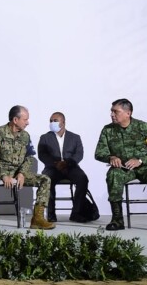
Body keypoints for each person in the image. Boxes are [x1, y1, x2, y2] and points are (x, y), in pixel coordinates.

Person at [0, 105, 54, 231]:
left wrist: (22, 173)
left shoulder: (25, 136)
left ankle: (38, 218)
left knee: (45, 180)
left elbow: (29, 157)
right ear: (15, 120)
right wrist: (4, 175)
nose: (28, 123)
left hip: (17, 171)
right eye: (25, 120)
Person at [95, 98, 147, 231]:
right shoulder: (108, 130)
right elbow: (99, 153)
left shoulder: (143, 127)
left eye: (115, 111)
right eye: (111, 111)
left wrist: (140, 160)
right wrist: (111, 157)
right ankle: (117, 220)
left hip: (144, 166)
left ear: (128, 113)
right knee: (113, 174)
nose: (112, 114)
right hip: (124, 169)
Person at [38, 112, 90, 223]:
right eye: (51, 121)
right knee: (47, 179)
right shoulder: (45, 138)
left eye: (55, 120)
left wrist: (67, 163)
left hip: (71, 167)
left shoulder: (75, 137)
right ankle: (51, 215)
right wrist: (55, 164)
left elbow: (79, 154)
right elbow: (42, 155)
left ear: (63, 122)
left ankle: (76, 213)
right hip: (52, 168)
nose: (52, 123)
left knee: (83, 179)